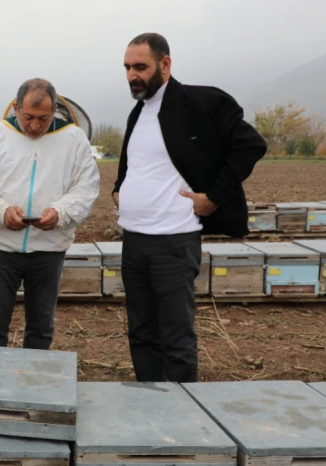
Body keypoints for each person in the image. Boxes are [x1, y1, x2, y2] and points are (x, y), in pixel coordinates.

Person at [112, 33, 267, 383]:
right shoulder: (139, 112)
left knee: (176, 336)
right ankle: (151, 400)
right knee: (141, 331)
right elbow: (137, 164)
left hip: (173, 241)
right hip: (134, 239)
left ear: (165, 64)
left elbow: (250, 145)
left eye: (140, 67)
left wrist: (214, 197)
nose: (132, 75)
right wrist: (119, 188)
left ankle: (184, 416)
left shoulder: (201, 101)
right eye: (127, 67)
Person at [0, 78, 100, 350]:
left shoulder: (73, 138)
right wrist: (1, 211)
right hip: (1, 247)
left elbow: (86, 187)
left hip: (49, 250)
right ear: (16, 108)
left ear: (55, 110)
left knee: (41, 327)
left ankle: (32, 386)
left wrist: (60, 212)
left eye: (44, 117)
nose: (36, 125)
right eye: (29, 117)